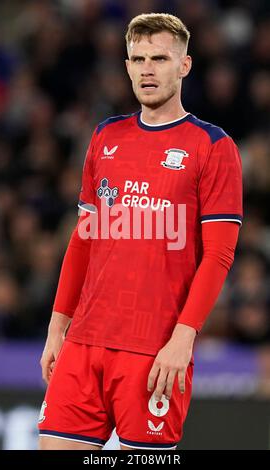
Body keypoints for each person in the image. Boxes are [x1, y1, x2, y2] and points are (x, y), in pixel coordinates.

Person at [38, 13, 242, 450]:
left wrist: (183, 339)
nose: (148, 69)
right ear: (127, 66)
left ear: (184, 66)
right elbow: (83, 240)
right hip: (85, 342)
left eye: (160, 58)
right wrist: (58, 328)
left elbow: (219, 255)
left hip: (153, 349)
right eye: (138, 58)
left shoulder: (212, 146)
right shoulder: (105, 136)